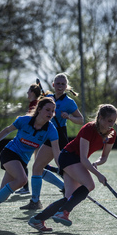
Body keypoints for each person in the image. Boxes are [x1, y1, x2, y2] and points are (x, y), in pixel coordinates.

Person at [0, 97, 60, 228]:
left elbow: (56, 151)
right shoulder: (24, 120)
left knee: (2, 196)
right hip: (9, 153)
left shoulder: (51, 130)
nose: (50, 113)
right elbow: (6, 130)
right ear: (39, 109)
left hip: (22, 161)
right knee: (22, 179)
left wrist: (63, 168)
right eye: (47, 110)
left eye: (53, 111)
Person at [28, 104, 117, 231]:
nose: (111, 124)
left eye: (114, 121)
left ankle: (38, 219)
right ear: (100, 118)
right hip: (68, 157)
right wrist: (98, 175)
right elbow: (83, 159)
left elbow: (104, 157)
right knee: (90, 185)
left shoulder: (111, 133)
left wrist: (96, 163)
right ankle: (63, 212)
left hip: (76, 161)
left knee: (69, 198)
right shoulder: (89, 129)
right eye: (109, 121)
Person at [20, 72, 84, 210]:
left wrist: (68, 117)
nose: (60, 86)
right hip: (48, 135)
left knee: (63, 169)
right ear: (53, 85)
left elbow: (81, 120)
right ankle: (36, 201)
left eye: (63, 84)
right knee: (37, 167)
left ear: (66, 86)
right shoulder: (48, 98)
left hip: (60, 135)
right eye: (58, 83)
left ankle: (71, 190)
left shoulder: (69, 102)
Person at [15, 83, 42, 195]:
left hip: (34, 139)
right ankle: (25, 187)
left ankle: (25, 188)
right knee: (37, 164)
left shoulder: (34, 105)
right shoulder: (34, 104)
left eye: (29, 91)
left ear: (33, 93)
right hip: (35, 138)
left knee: (34, 164)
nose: (27, 93)